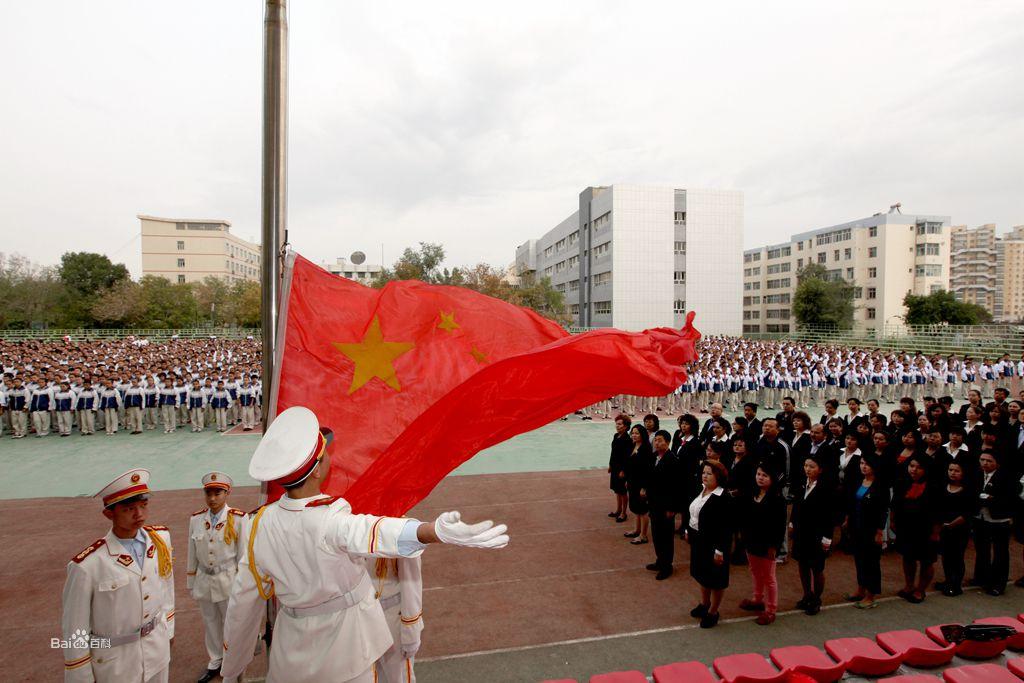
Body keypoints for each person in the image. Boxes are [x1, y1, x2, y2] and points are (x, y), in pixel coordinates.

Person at [219, 406, 510, 683]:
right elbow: (376, 531)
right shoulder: (329, 519)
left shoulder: (258, 523)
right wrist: (432, 531)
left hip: (290, 651)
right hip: (346, 650)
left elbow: (242, 603)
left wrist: (232, 668)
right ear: (318, 470)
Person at [60, 469, 175, 682]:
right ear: (109, 514)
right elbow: (75, 628)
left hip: (157, 650)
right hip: (116, 664)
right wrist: (80, 676)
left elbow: (166, 585)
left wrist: (169, 629)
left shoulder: (160, 540)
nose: (139, 514)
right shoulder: (88, 565)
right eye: (129, 509)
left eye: (143, 505)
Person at [186, 473, 247, 683]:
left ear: (227, 493)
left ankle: (233, 661)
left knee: (231, 623)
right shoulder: (196, 519)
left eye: (217, 493)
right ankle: (215, 660)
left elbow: (243, 556)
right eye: (208, 493)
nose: (212, 498)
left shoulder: (238, 519)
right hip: (204, 579)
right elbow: (192, 553)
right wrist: (191, 582)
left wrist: (242, 585)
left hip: (228, 580)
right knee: (210, 622)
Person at [685, 460, 732, 629]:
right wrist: (688, 530)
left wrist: (720, 550)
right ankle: (704, 603)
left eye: (709, 473)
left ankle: (713, 611)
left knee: (716, 579)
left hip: (714, 544)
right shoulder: (701, 489)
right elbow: (693, 512)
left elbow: (726, 527)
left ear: (718, 476)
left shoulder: (723, 497)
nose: (704, 476)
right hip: (699, 540)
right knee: (702, 574)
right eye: (703, 472)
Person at [739, 465, 787, 625]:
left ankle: (771, 610)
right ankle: (758, 599)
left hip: (767, 545)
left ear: (772, 479)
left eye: (765, 475)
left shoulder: (778, 499)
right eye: (758, 474)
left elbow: (780, 526)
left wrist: (774, 546)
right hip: (751, 541)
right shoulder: (752, 493)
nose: (760, 477)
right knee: (755, 572)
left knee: (769, 578)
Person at [890, 456, 940, 603]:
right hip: (906, 527)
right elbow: (895, 504)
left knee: (926, 561)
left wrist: (936, 532)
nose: (914, 470)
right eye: (911, 466)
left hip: (926, 529)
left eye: (919, 467)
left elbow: (939, 512)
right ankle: (909, 585)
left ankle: (921, 590)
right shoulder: (902, 482)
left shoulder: (934, 486)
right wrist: (893, 521)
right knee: (908, 557)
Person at [843, 454, 889, 609]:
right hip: (857, 526)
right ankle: (860, 589)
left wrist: (879, 531)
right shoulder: (859, 481)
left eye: (867, 464)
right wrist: (848, 520)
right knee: (859, 559)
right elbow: (852, 503)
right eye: (862, 463)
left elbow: (883, 511)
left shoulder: (880, 486)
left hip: (871, 529)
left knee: (871, 562)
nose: (863, 466)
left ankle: (871, 595)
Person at [790, 455, 834, 616]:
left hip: (817, 535)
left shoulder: (826, 488)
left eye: (812, 466)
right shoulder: (802, 484)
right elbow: (796, 506)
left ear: (820, 470)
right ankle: (807, 595)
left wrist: (827, 538)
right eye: (806, 465)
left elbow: (829, 516)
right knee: (802, 564)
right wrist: (792, 523)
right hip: (801, 532)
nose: (807, 469)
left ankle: (816, 599)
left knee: (816, 568)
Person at [368, 556, 423, 683]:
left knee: (398, 678)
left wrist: (410, 634)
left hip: (392, 620)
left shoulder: (402, 542)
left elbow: (411, 583)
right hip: (364, 617)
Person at [972, 451, 1019, 596]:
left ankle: (999, 584)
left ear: (997, 463)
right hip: (980, 517)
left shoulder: (1007, 478)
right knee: (982, 549)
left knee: (1000, 552)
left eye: (989, 461)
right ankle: (982, 578)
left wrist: (990, 499)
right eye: (982, 460)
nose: (985, 463)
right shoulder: (977, 475)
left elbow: (1010, 499)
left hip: (999, 519)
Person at [645, 430, 682, 580]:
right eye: (655, 440)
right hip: (654, 503)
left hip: (666, 505)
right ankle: (660, 561)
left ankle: (667, 566)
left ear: (667, 442)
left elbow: (676, 487)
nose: (657, 443)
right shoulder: (654, 457)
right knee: (656, 534)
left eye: (660, 440)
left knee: (665, 537)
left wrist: (672, 508)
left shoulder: (672, 460)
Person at [935, 462, 976, 597]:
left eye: (957, 471)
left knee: (957, 556)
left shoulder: (968, 490)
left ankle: (956, 585)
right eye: (950, 470)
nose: (952, 473)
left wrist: (952, 524)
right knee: (945, 556)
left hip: (960, 528)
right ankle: (948, 580)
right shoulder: (943, 487)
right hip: (944, 528)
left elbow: (968, 512)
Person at [624, 424, 653, 545]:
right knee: (635, 508)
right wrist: (627, 480)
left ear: (642, 435)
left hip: (641, 483)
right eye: (633, 433)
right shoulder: (633, 446)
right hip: (632, 481)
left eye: (637, 433)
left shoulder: (646, 449)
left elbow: (648, 470)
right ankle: (636, 530)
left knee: (642, 510)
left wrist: (644, 487)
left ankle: (643, 535)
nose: (634, 435)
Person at [607, 415, 632, 523]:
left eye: (620, 424)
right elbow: (613, 452)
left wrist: (624, 470)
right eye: (616, 424)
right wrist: (610, 465)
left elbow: (627, 457)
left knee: (622, 491)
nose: (617, 426)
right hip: (615, 466)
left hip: (622, 468)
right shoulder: (616, 436)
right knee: (617, 490)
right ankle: (618, 510)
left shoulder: (628, 440)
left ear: (626, 426)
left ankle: (623, 513)